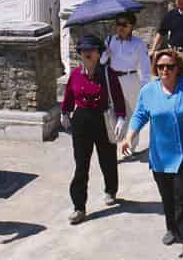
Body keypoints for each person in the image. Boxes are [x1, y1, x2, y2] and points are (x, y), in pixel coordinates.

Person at [122, 50, 183, 260]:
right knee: (168, 197)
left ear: (177, 68)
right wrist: (129, 137)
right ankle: (172, 228)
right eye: (161, 66)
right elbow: (140, 114)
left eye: (169, 66)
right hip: (160, 157)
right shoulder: (149, 91)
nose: (165, 70)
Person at [61, 35, 127, 224]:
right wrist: (65, 112)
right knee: (81, 164)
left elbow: (118, 97)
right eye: (84, 50)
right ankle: (79, 207)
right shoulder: (75, 74)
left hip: (102, 118)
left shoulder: (108, 73)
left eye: (91, 50)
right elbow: (69, 96)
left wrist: (121, 117)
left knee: (107, 158)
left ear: (99, 53)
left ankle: (110, 189)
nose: (87, 53)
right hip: (81, 120)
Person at [101, 13, 151, 156]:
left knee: (131, 113)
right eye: (118, 24)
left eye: (124, 25)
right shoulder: (110, 40)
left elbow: (145, 67)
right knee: (113, 112)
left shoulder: (138, 44)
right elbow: (101, 62)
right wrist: (106, 53)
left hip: (130, 79)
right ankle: (113, 142)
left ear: (131, 26)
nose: (120, 28)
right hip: (112, 79)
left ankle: (130, 146)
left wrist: (144, 86)